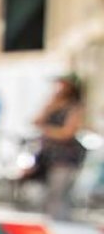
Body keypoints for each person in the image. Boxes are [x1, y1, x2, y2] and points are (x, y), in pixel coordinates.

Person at [34, 74, 86, 221]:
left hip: (65, 157)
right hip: (48, 156)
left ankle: (61, 226)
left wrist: (47, 130)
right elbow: (36, 121)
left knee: (59, 195)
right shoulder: (53, 104)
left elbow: (67, 133)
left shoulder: (75, 107)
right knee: (48, 195)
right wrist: (50, 106)